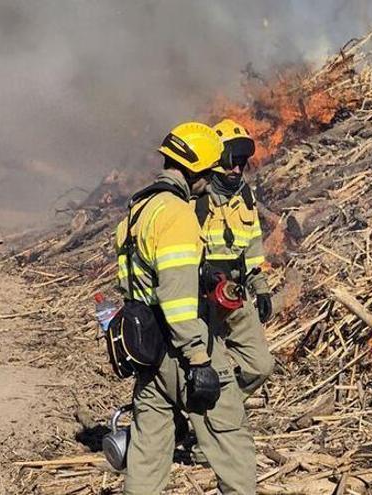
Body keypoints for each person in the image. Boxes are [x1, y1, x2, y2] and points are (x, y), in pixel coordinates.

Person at [117, 122, 255, 494]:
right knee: (232, 446)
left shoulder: (138, 208)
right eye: (208, 174)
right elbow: (177, 300)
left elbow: (138, 280)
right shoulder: (177, 213)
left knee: (147, 454)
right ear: (194, 170)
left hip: (148, 352)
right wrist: (198, 359)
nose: (209, 183)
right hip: (182, 351)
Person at [197, 119, 275, 398]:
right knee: (212, 374)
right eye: (233, 161)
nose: (237, 169)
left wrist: (262, 290)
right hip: (201, 304)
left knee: (262, 366)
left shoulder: (246, 197)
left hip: (235, 296)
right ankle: (214, 423)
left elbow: (252, 249)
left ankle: (225, 409)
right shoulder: (196, 200)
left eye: (242, 162)